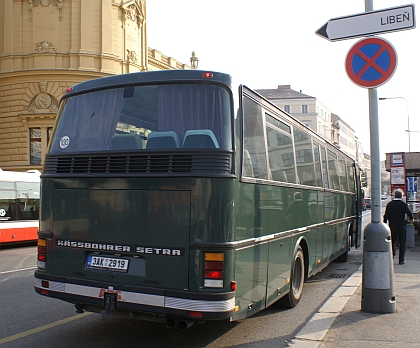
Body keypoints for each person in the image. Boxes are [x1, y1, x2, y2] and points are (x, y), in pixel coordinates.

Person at [383, 190, 414, 265]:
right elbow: (410, 214)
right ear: (401, 196)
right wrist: (411, 220)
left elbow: (386, 215)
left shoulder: (390, 204)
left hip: (392, 225)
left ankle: (392, 256)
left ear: (394, 196)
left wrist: (385, 223)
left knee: (392, 241)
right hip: (401, 225)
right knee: (402, 243)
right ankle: (401, 260)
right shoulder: (403, 204)